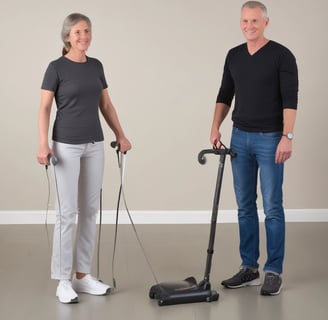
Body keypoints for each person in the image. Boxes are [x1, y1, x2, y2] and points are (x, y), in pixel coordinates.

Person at [37, 13, 131, 304]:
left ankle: (83, 275)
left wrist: (121, 133)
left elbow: (106, 104)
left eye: (87, 31)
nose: (83, 36)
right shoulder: (56, 68)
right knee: (67, 214)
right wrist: (43, 144)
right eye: (77, 32)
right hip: (65, 145)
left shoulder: (96, 66)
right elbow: (44, 108)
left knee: (90, 211)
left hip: (94, 144)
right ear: (67, 37)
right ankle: (63, 280)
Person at [210, 1, 298, 296]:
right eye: (245, 21)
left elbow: (290, 99)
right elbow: (225, 94)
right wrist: (215, 127)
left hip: (271, 137)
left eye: (255, 21)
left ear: (266, 22)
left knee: (272, 207)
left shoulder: (281, 55)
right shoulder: (233, 55)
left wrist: (288, 136)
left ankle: (274, 270)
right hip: (239, 139)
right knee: (245, 206)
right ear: (241, 23)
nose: (250, 26)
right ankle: (249, 267)